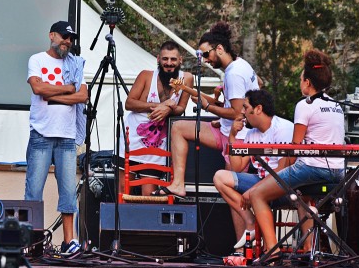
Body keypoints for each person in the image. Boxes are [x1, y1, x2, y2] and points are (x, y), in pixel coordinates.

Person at [244, 49, 345, 255]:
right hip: (338, 171)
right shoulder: (336, 106)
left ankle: (272, 252)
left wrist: (276, 176)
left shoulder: (305, 105)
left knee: (257, 195)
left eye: (301, 79)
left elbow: (295, 147)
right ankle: (308, 248)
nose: (300, 83)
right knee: (303, 196)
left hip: (312, 168)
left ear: (308, 83)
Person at [167, 21, 260, 198]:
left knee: (233, 195)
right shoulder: (240, 64)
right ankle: (178, 184)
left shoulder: (234, 73)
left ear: (219, 48)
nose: (205, 60)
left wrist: (208, 106)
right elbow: (257, 86)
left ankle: (246, 226)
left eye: (206, 54)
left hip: (238, 137)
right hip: (225, 129)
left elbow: (236, 112)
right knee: (178, 128)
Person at [24, 21, 88, 255]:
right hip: (41, 133)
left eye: (71, 38)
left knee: (68, 192)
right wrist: (68, 89)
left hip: (67, 137)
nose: (67, 42)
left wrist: (55, 92)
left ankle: (69, 241)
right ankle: (32, 240)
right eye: (64, 36)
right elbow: (38, 90)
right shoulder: (37, 60)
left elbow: (82, 96)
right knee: (34, 189)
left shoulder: (76, 64)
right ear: (52, 35)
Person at [213, 89, 294, 250]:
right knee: (220, 177)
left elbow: (283, 170)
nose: (242, 112)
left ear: (258, 109)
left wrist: (255, 190)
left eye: (245, 107)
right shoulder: (251, 134)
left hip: (283, 185)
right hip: (261, 182)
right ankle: (250, 222)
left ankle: (270, 247)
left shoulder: (283, 128)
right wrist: (232, 137)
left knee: (257, 191)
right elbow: (237, 167)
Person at [118, 41, 193, 195]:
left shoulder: (187, 78)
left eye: (173, 59)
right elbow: (129, 103)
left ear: (180, 60)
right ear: (158, 59)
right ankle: (122, 220)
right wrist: (159, 105)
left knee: (150, 195)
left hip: (158, 143)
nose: (169, 63)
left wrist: (169, 108)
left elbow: (181, 108)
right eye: (165, 59)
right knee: (124, 190)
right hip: (133, 138)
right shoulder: (146, 75)